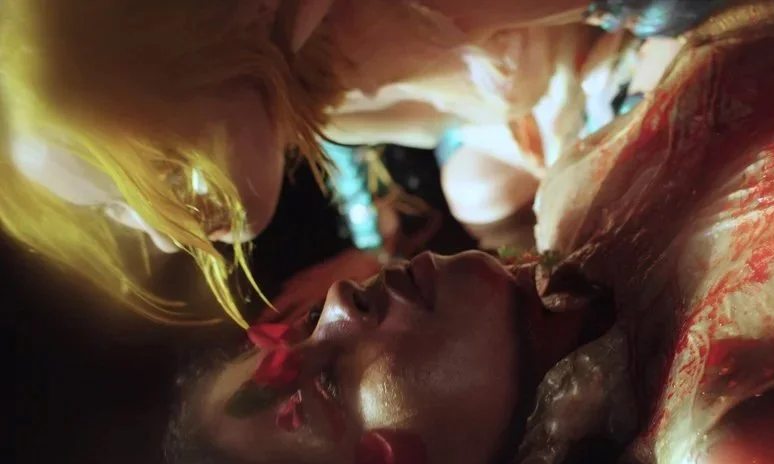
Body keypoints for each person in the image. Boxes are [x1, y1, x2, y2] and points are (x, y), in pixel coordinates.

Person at [140, 0, 774, 464]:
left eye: (299, 330)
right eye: (329, 382)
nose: (338, 304)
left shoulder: (576, 200)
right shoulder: (740, 460)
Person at [0, 0, 712, 325]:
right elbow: (364, 139)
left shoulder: (371, 20)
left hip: (612, 45)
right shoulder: (300, 77)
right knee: (476, 186)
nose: (162, 237)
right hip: (534, 102)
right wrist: (373, 250)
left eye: (159, 173)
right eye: (116, 210)